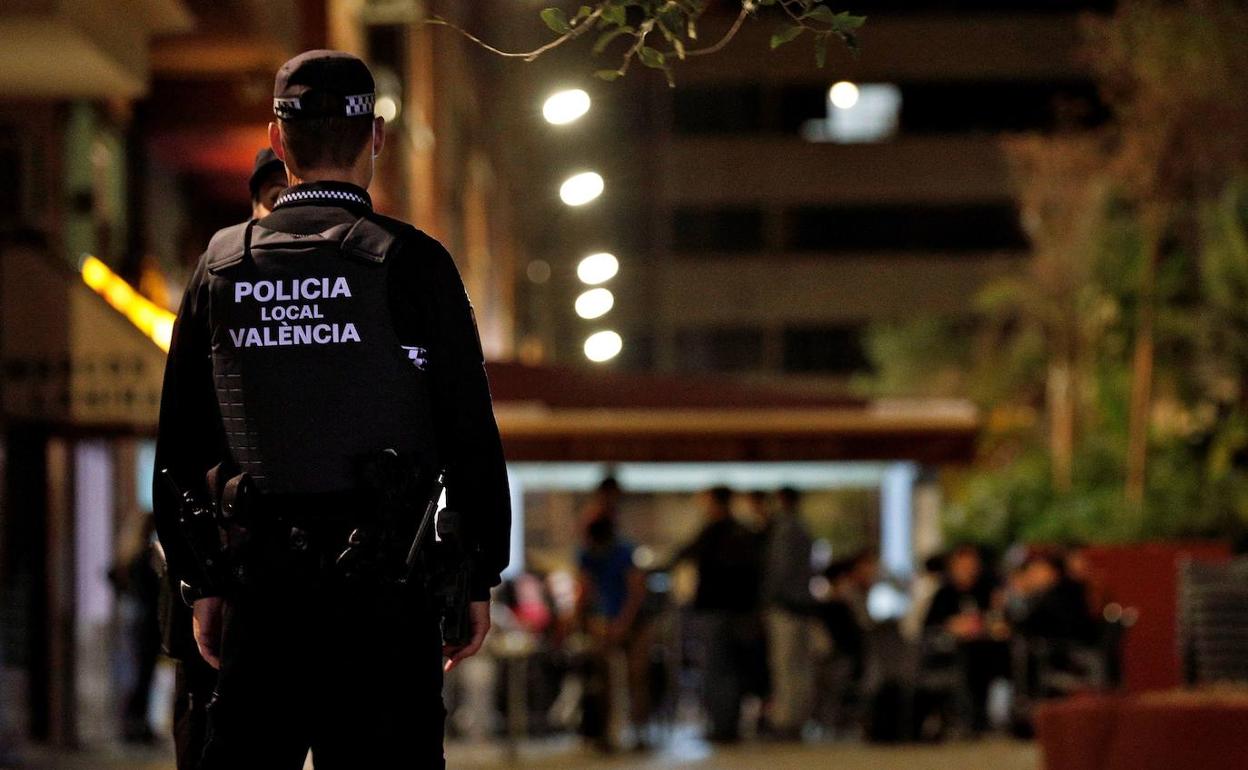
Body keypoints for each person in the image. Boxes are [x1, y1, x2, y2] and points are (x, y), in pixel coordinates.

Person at [153, 50, 510, 769]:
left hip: (263, 589)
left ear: (278, 140)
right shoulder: (414, 262)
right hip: (386, 597)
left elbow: (181, 445)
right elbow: (469, 431)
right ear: (376, 136)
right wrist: (476, 575)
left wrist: (202, 583)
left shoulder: (221, 266)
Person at [158, 147, 287, 770]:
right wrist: (198, 573)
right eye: (271, 197)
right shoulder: (219, 279)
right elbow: (181, 443)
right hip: (224, 576)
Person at [671, 486, 764, 743]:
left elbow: (684, 554)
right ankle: (729, 725)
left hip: (715, 610)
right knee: (731, 669)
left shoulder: (714, 532)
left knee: (716, 668)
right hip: (738, 611)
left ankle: (722, 727)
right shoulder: (742, 532)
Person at [575, 510, 651, 749]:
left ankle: (639, 733)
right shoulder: (587, 554)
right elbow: (586, 589)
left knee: (636, 677)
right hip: (606, 621)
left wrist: (623, 623)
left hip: (633, 622)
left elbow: (636, 590)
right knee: (602, 679)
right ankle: (605, 733)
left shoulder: (624, 551)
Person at [760, 487, 817, 740]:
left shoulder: (784, 530)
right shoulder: (803, 529)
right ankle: (798, 718)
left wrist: (767, 599)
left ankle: (786, 720)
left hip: (785, 606)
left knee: (785, 665)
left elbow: (779, 571)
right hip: (801, 604)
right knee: (799, 665)